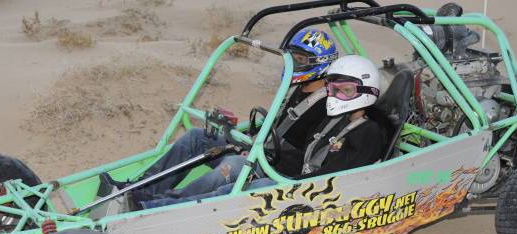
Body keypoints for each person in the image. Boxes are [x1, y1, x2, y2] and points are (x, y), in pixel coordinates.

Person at [103, 28, 338, 209]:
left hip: (275, 170)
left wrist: (256, 154)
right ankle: (139, 190)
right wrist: (246, 140)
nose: (293, 64)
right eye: (292, 57)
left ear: (319, 63)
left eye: (300, 60)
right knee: (198, 136)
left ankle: (155, 207)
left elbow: (305, 157)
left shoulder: (327, 107)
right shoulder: (295, 88)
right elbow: (275, 127)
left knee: (231, 166)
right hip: (259, 151)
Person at [142, 54, 390, 207]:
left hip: (310, 194)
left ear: (367, 92)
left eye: (344, 90)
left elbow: (334, 179)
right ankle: (156, 201)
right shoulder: (336, 118)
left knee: (233, 188)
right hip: (294, 178)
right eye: (333, 88)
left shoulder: (366, 133)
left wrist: (278, 177)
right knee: (236, 169)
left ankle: (159, 209)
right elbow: (304, 154)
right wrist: (258, 156)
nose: (335, 95)